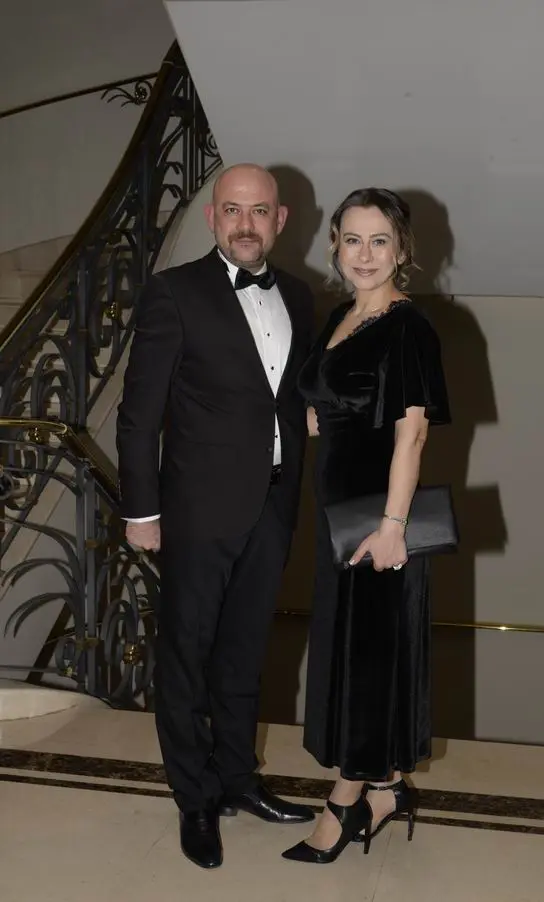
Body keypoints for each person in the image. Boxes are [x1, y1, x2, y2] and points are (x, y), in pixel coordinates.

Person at [116, 164, 315, 870]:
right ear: (213, 218)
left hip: (274, 505)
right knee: (186, 656)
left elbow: (293, 398)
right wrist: (141, 511)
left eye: (259, 211)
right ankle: (194, 798)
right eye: (232, 209)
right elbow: (138, 415)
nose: (245, 223)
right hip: (196, 510)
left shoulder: (300, 296)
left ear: (280, 220)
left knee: (245, 652)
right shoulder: (174, 292)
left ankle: (237, 778)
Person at [283, 188, 451, 864]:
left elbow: (412, 434)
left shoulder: (409, 327)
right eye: (352, 239)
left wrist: (392, 526)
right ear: (334, 246)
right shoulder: (341, 317)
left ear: (402, 250)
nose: (365, 254)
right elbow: (326, 409)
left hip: (378, 520)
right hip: (337, 515)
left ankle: (345, 801)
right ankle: (386, 788)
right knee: (353, 649)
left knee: (368, 660)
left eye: (380, 240)